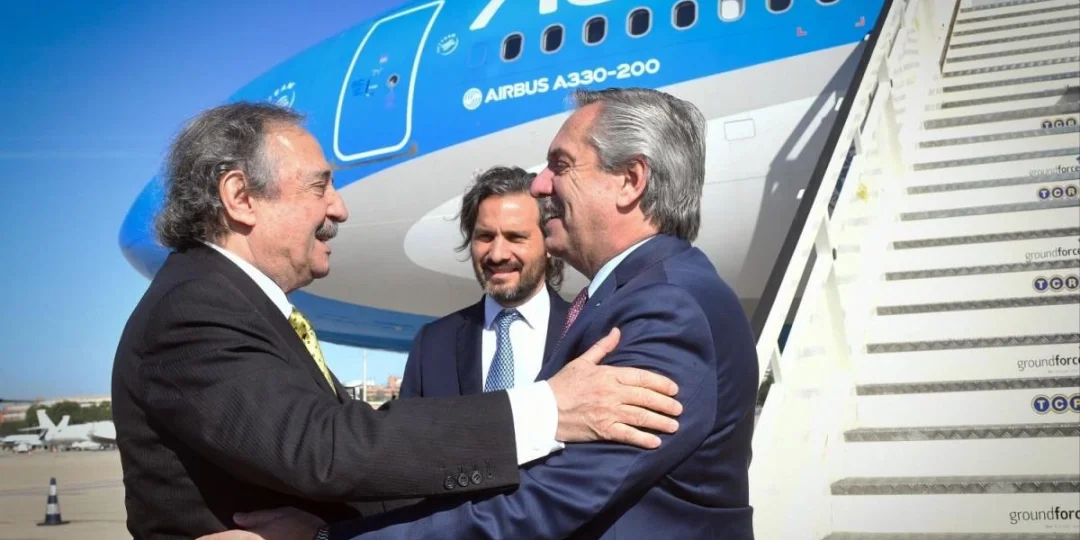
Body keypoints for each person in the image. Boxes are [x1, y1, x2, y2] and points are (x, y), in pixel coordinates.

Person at [111, 101, 685, 539]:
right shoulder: (196, 308)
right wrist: (549, 408)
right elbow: (327, 451)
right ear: (240, 197)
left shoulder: (230, 301)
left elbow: (365, 472)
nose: (339, 208)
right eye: (319, 186)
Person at [399, 165, 570, 400]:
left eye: (515, 237)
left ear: (549, 242)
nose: (497, 255)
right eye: (485, 237)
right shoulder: (433, 345)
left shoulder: (587, 332)